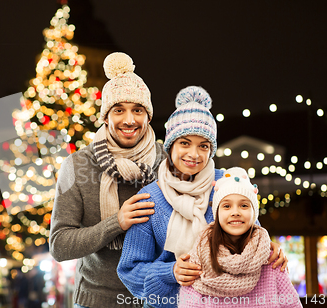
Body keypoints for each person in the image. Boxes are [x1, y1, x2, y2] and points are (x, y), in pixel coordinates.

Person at [117, 86, 287, 308]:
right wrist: (170, 271)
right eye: (185, 143)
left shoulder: (227, 184)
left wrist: (270, 250)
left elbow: (253, 238)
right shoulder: (149, 198)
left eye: (203, 146)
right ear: (170, 145)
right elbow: (130, 270)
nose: (194, 154)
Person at [49, 52, 166, 308]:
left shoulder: (167, 163)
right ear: (105, 117)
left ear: (148, 116)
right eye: (118, 110)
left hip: (161, 299)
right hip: (97, 300)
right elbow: (59, 245)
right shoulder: (77, 165)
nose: (129, 120)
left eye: (138, 110)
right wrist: (116, 223)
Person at [178, 167, 302, 307]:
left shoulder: (272, 260)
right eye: (226, 206)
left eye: (244, 205)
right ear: (217, 214)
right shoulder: (198, 259)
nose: (235, 212)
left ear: (254, 213)